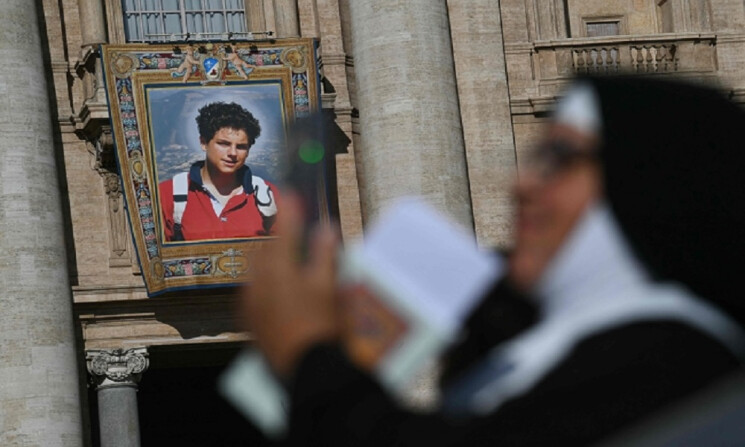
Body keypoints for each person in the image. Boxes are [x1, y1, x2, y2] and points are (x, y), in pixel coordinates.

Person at [242, 76, 745, 445]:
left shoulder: (672, 360)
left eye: (559, 158)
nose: (521, 184)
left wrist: (309, 353)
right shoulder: (554, 342)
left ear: (647, 178)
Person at [160, 102, 279, 242]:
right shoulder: (167, 194)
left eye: (241, 147)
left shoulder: (268, 195)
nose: (233, 153)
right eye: (224, 144)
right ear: (204, 143)